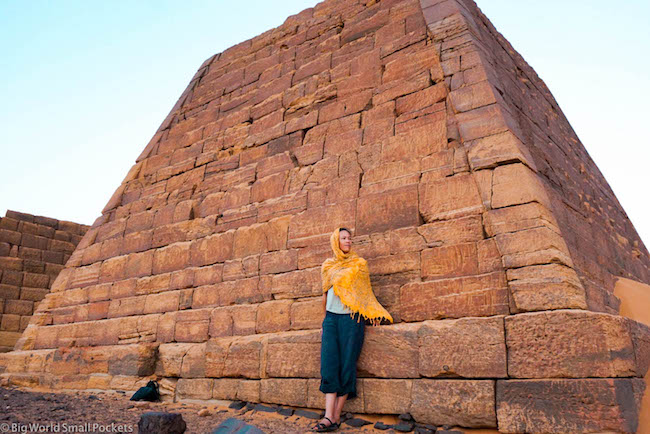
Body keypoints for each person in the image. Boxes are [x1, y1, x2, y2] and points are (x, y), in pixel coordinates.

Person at [312, 227, 393, 432]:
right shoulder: (328, 265)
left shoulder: (359, 265)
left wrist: (372, 313)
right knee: (329, 364)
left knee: (347, 365)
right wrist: (324, 322)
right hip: (331, 320)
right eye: (344, 238)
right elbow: (324, 296)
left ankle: (334, 417)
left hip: (351, 319)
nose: (348, 241)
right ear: (335, 242)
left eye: (349, 238)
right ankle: (328, 415)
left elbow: (365, 294)